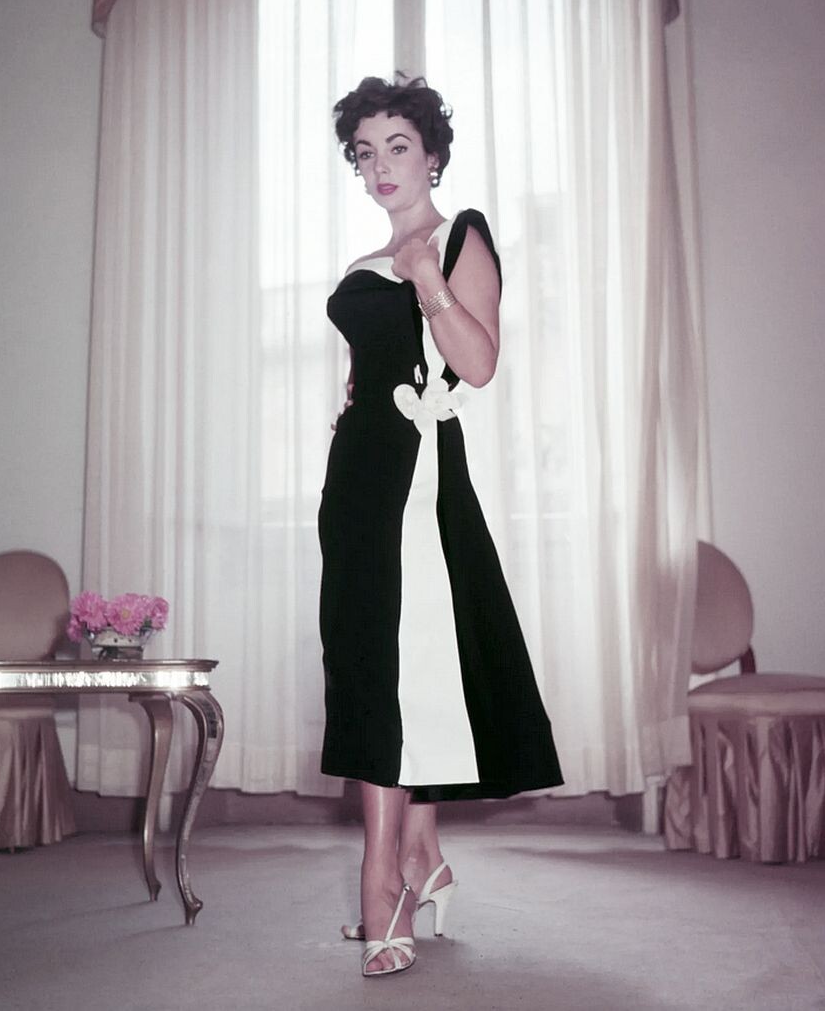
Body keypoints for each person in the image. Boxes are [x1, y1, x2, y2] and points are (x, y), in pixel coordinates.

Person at [319, 74, 563, 978]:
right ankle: (423, 855)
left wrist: (426, 280)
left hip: (418, 484)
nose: (380, 166)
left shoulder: (460, 237)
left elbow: (479, 364)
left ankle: (383, 879)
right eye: (365, 153)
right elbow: (369, 371)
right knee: (372, 666)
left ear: (432, 155)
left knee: (399, 674)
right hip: (356, 485)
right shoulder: (365, 259)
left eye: (397, 147)